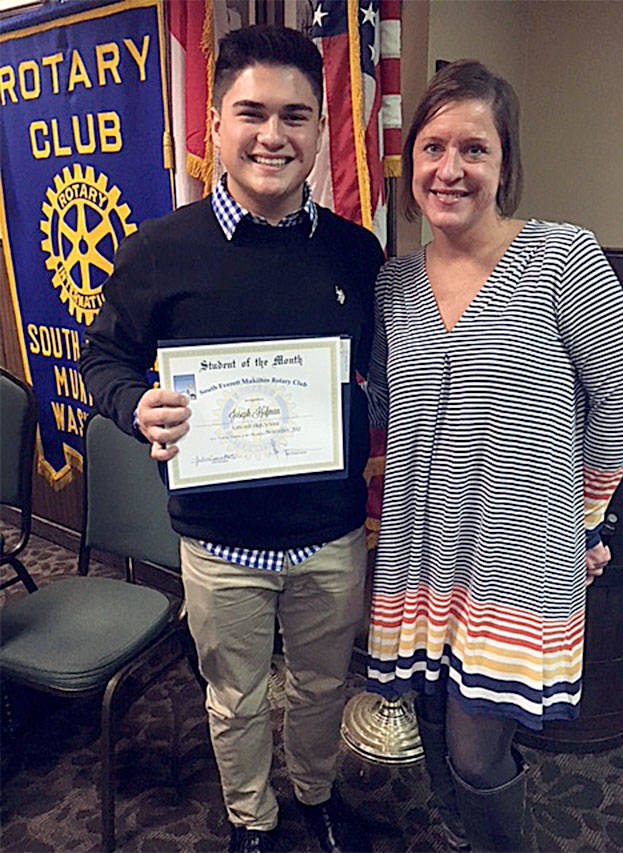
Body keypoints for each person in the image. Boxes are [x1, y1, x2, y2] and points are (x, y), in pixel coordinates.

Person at [80, 25, 383, 853]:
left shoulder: (360, 256)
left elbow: (387, 375)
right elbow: (101, 355)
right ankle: (253, 819)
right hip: (218, 541)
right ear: (213, 124)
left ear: (321, 129)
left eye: (296, 116)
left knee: (323, 685)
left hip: (328, 529)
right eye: (251, 113)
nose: (272, 136)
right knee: (235, 696)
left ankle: (315, 799)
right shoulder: (156, 253)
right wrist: (135, 402)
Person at [365, 59, 623, 852]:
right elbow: (385, 408)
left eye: (474, 150)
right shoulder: (392, 285)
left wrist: (581, 521)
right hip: (420, 556)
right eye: (432, 147)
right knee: (431, 724)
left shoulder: (562, 259)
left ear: (505, 164)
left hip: (515, 559)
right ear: (410, 158)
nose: (449, 169)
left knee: (474, 748)